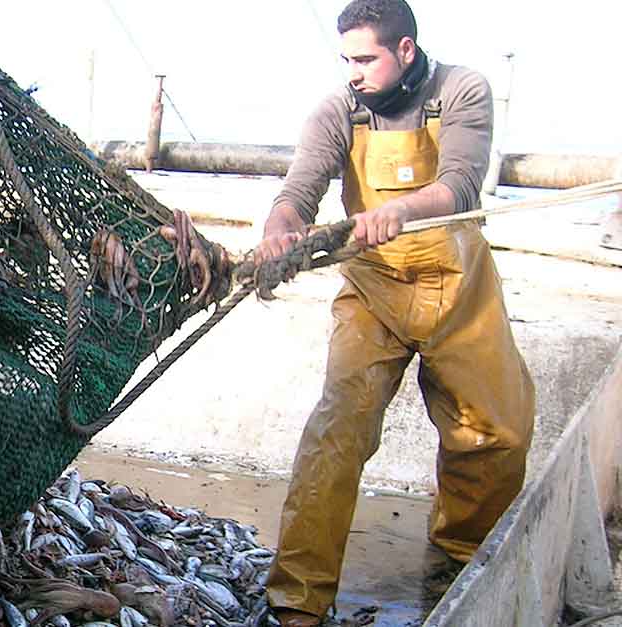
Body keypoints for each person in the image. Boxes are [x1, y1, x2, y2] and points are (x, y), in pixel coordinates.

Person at [252, 1, 536, 625]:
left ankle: (460, 561)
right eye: (346, 60)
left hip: (456, 286)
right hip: (372, 290)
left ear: (405, 50)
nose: (352, 72)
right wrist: (280, 228)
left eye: (365, 59)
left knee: (495, 433)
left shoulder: (462, 90)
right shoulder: (338, 109)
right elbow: (298, 192)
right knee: (337, 432)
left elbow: (461, 184)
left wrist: (401, 210)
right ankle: (298, 599)